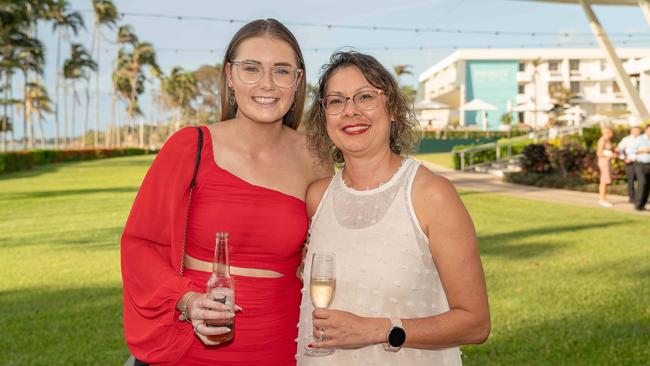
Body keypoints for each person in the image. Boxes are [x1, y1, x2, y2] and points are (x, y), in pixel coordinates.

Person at [121, 19, 331, 365]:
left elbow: (331, 248)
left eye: (281, 71)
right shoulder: (191, 146)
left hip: (283, 342)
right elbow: (139, 244)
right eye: (251, 69)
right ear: (230, 76)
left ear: (297, 81)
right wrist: (186, 300)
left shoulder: (317, 157)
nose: (267, 83)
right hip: (194, 344)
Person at [296, 51, 490, 365]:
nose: (351, 111)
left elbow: (475, 323)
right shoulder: (317, 197)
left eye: (365, 97)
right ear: (324, 116)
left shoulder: (431, 194)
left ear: (394, 109)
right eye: (336, 101)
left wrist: (377, 330)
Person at [616, 126, 641, 203]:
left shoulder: (642, 139)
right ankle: (632, 198)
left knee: (642, 181)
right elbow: (618, 149)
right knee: (631, 180)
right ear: (632, 131)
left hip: (640, 162)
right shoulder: (626, 140)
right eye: (636, 131)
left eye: (638, 131)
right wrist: (624, 158)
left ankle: (640, 197)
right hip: (630, 163)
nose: (637, 132)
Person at [630, 124, 650, 211]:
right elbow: (631, 150)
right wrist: (644, 150)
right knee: (642, 183)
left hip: (649, 164)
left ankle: (642, 204)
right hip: (640, 164)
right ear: (646, 130)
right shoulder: (640, 139)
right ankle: (637, 204)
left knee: (648, 185)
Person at [596, 126, 615, 207]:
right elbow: (599, 153)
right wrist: (610, 155)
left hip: (607, 161)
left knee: (606, 180)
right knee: (604, 180)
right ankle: (602, 199)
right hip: (604, 162)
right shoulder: (602, 140)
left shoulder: (607, 140)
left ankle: (604, 198)